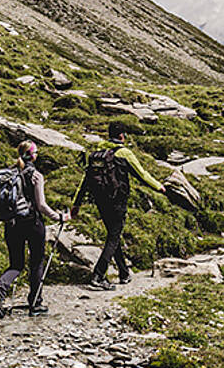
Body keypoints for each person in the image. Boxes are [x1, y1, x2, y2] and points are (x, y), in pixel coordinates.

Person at [72, 121, 167, 290]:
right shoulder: (124, 153)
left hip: (100, 201)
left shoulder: (98, 153)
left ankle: (123, 273)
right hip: (117, 201)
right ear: (122, 136)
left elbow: (86, 180)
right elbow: (142, 174)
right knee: (114, 237)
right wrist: (158, 186)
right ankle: (98, 275)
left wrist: (76, 203)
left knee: (113, 235)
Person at [0, 141, 69, 317]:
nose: (37, 155)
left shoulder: (10, 173)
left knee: (16, 264)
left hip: (12, 224)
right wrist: (60, 217)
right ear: (32, 155)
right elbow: (41, 205)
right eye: (36, 152)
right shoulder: (36, 176)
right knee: (37, 262)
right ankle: (35, 303)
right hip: (33, 224)